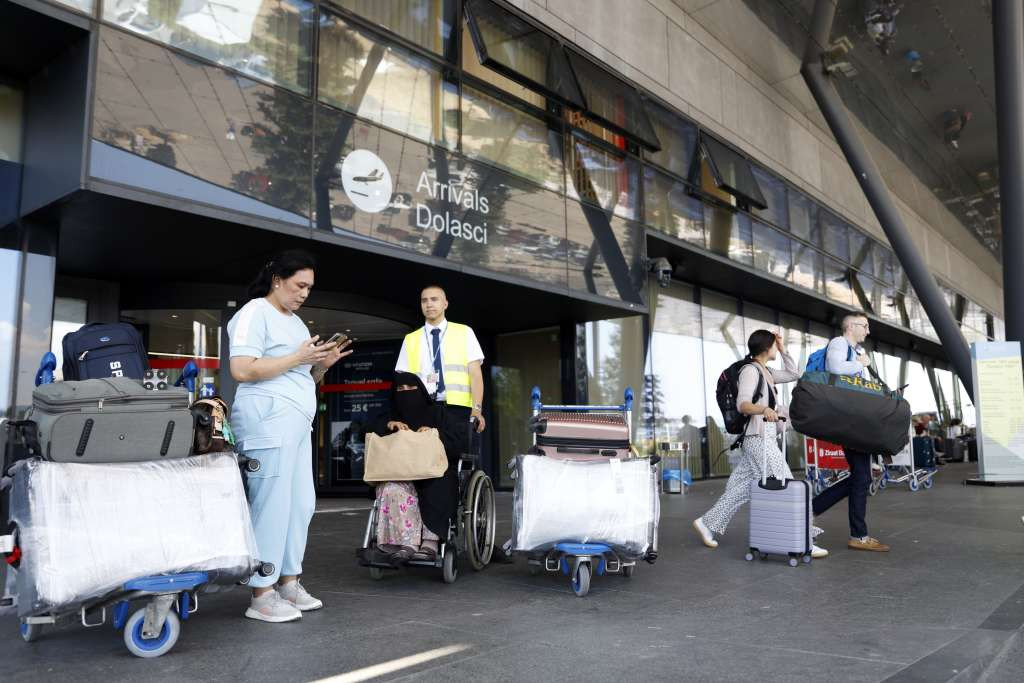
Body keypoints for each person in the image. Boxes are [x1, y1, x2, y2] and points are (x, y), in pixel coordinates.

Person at [228, 250, 353, 623]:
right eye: (299, 285)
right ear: (277, 279)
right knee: (272, 504)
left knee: (300, 504)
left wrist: (320, 367)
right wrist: (297, 359)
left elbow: (300, 377)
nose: (304, 294)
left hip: (296, 422)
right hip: (267, 419)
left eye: (309, 288)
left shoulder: (297, 324)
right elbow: (242, 368)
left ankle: (288, 581)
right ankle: (261, 593)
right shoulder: (254, 312)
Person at [692, 330, 828, 558]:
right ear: (766, 347)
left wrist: (784, 349)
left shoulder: (767, 372)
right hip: (757, 439)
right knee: (786, 485)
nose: (777, 349)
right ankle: (804, 538)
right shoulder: (750, 371)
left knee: (743, 489)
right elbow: (743, 405)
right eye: (775, 346)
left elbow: (794, 373)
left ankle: (707, 523)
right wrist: (764, 409)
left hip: (762, 439)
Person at [394, 285, 486, 558]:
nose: (429, 304)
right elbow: (403, 382)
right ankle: (411, 533)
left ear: (446, 303)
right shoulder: (411, 339)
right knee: (415, 465)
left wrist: (477, 410)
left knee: (443, 463)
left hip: (457, 410)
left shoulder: (463, 332)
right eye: (424, 300)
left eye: (434, 299)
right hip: (423, 410)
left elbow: (475, 375)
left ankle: (434, 533)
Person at [811, 312, 890, 552]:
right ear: (851, 326)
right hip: (848, 420)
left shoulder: (853, 350)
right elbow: (834, 368)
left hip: (852, 418)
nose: (867, 331)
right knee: (861, 475)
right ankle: (858, 535)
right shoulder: (839, 343)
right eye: (865, 326)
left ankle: (813, 510)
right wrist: (861, 364)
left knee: (860, 476)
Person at [368, 372, 461, 564]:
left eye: (412, 389)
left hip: (435, 469)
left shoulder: (437, 413)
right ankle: (406, 544)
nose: (406, 393)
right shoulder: (390, 415)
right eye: (400, 390)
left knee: (438, 484)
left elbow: (457, 442)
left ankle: (430, 543)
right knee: (391, 488)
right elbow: (368, 431)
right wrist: (388, 425)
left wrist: (435, 434)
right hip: (400, 471)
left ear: (421, 390)